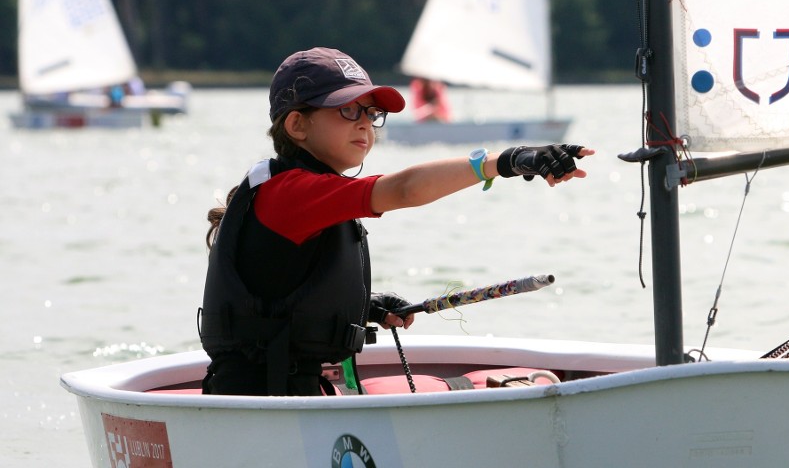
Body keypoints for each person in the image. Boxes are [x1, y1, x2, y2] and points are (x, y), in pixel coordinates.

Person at [198, 47, 594, 397]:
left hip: (289, 390)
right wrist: (506, 162)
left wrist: (362, 305)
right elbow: (404, 189)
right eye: (347, 110)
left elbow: (279, 292)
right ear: (297, 125)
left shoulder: (306, 192)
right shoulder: (291, 193)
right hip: (260, 400)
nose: (364, 124)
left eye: (371, 113)